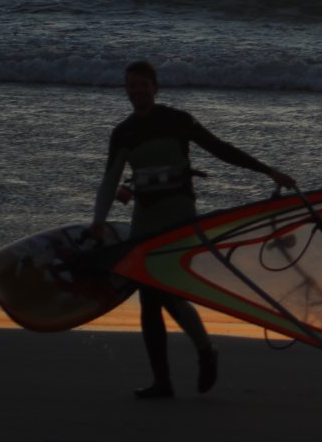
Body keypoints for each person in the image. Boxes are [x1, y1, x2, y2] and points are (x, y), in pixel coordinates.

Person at [90, 60, 294, 400]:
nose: (137, 91)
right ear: (126, 89)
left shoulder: (176, 121)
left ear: (156, 88)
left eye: (143, 85)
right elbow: (110, 180)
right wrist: (98, 219)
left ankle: (202, 352)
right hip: (145, 219)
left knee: (165, 292)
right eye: (131, 85)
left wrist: (268, 171)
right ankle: (167, 378)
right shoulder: (122, 132)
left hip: (178, 216)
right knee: (151, 299)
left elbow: (220, 149)